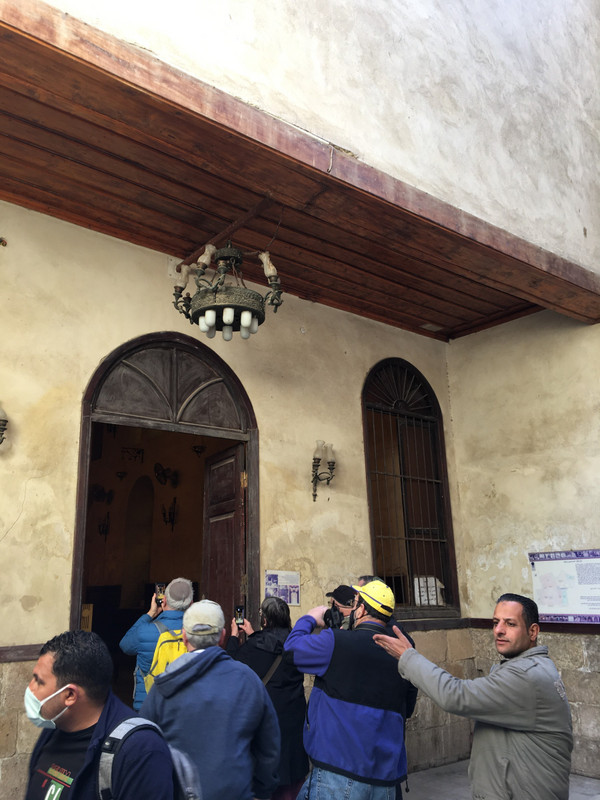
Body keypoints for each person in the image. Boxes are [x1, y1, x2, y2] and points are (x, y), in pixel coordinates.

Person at [374, 593, 573, 800]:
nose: (499, 630)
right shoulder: (529, 667)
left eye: (510, 624)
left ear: (533, 631)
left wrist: (408, 657)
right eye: (496, 622)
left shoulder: (526, 676)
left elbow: (455, 695)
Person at [284, 580, 416, 799]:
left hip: (338, 773)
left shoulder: (335, 642)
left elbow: (291, 650)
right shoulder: (405, 653)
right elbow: (407, 708)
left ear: (361, 609)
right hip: (385, 781)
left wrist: (310, 618)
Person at [140, 599, 281, 800]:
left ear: (184, 637)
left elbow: (144, 745)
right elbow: (269, 746)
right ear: (223, 636)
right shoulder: (247, 680)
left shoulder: (163, 684)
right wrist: (261, 790)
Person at [25, 630, 174, 800]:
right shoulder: (54, 726)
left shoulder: (141, 752)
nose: (31, 687)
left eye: (39, 681)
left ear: (70, 696)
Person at [227, 596, 309, 800]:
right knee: (290, 772)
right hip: (294, 714)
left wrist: (234, 636)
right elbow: (276, 648)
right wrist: (254, 634)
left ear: (265, 620)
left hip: (267, 715)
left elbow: (231, 665)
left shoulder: (255, 646)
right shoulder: (297, 642)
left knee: (268, 771)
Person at [119, 577, 193, 710]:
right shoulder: (197, 634)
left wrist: (151, 613)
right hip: (183, 707)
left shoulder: (145, 631)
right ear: (191, 604)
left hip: (148, 705)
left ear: (163, 601)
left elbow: (125, 645)